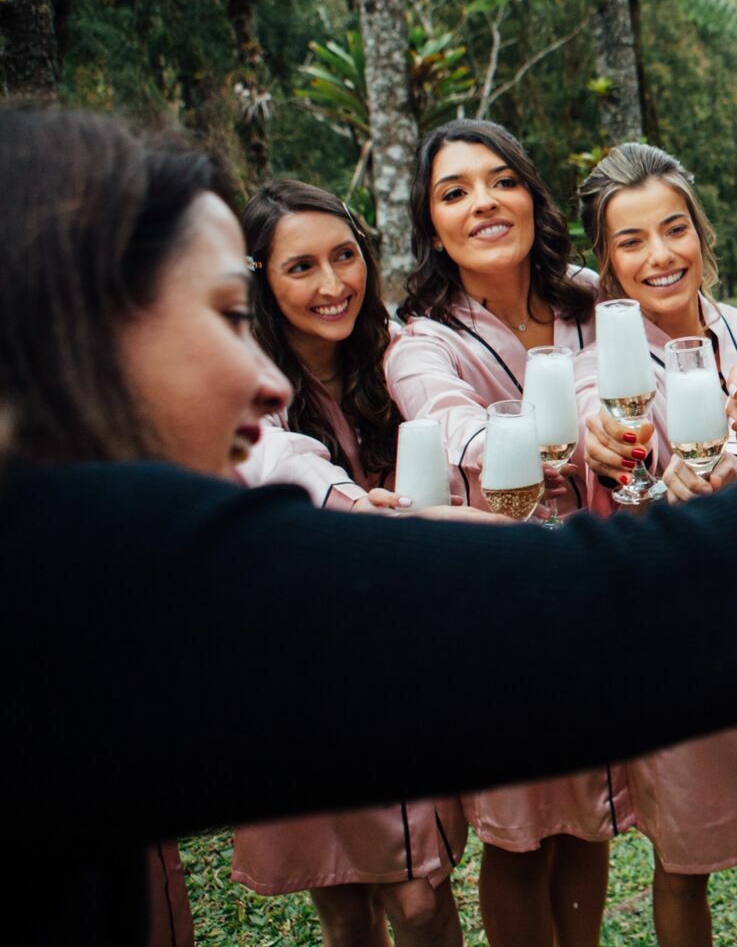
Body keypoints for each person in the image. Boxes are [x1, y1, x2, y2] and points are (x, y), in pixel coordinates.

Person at [0, 106, 737, 946]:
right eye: (231, 314)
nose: (262, 377)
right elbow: (617, 608)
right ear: (67, 326)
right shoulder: (86, 576)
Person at [381, 119, 621, 947]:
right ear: (432, 224)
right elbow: (451, 427)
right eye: (454, 192)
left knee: (586, 819)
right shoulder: (420, 340)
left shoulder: (592, 299)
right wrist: (540, 447)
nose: (483, 203)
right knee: (520, 833)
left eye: (501, 180)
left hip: (598, 586)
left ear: (531, 193)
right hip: (494, 597)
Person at [572, 143, 737, 947]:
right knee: (685, 852)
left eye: (674, 229)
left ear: (701, 231)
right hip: (672, 632)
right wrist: (606, 448)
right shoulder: (600, 366)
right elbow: (594, 431)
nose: (660, 256)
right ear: (605, 259)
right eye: (631, 241)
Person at [230, 180, 466, 947]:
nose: (334, 285)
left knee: (422, 895)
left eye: (345, 256)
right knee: (342, 900)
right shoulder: (238, 371)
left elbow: (450, 410)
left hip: (397, 649)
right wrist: (345, 501)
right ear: (260, 275)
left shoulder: (397, 349)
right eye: (302, 267)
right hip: (296, 655)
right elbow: (273, 453)